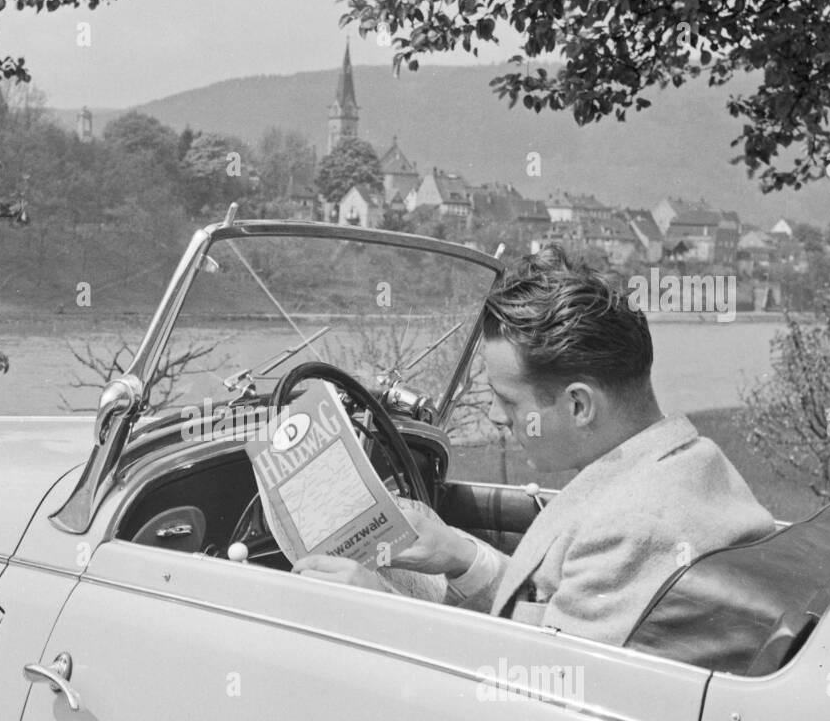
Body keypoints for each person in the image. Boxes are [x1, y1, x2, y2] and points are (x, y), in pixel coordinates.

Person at [293, 246, 775, 647]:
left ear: (579, 405)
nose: (497, 417)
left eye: (508, 399)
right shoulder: (692, 462)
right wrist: (460, 554)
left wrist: (385, 608)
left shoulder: (632, 527)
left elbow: (539, 684)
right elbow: (553, 623)